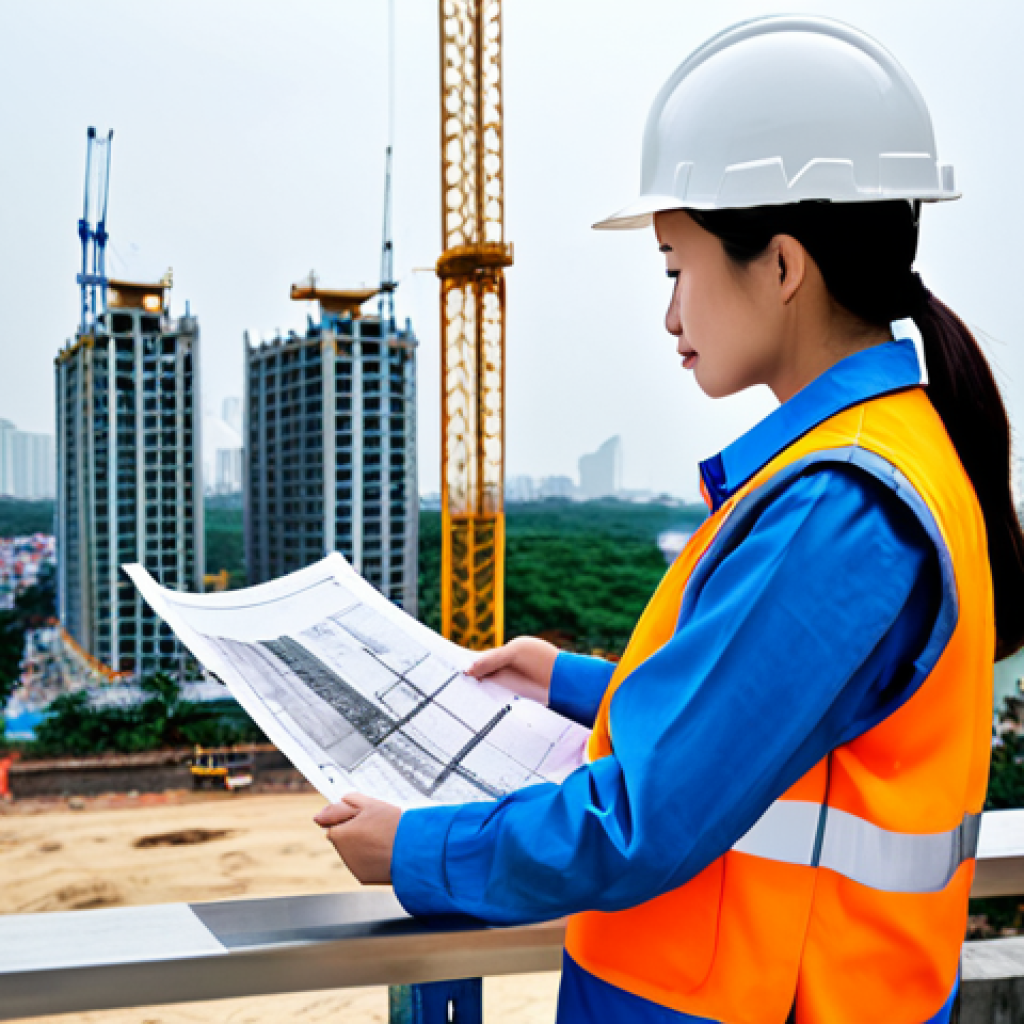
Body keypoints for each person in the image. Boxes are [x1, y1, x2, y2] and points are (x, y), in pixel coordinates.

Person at [314, 16, 1024, 1023]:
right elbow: (780, 722)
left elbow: (642, 817)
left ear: (781, 266)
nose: (669, 314)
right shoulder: (885, 457)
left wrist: (419, 849)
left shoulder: (837, 508)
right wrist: (563, 678)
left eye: (673, 268)